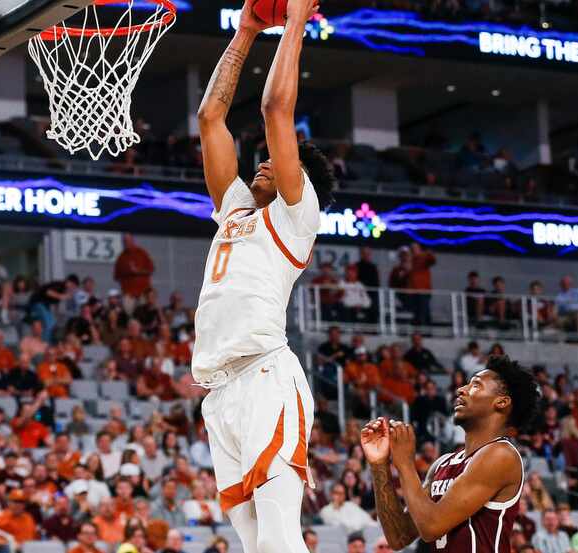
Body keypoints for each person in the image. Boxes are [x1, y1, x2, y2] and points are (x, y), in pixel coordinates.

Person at [193, 1, 333, 552]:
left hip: (265, 378)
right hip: (219, 393)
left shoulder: (295, 218)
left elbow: (276, 107)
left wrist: (296, 18)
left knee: (278, 538)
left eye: (277, 163)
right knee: (253, 545)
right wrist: (246, 30)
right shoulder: (234, 209)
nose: (264, 162)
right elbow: (211, 118)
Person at [362, 355, 539, 551]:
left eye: (476, 385)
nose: (461, 390)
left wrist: (404, 463)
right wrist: (379, 464)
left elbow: (431, 527)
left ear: (502, 402)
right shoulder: (442, 464)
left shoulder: (501, 454)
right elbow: (398, 537)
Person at [114, 234, 155, 305]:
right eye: (124, 241)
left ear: (133, 240)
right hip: (128, 294)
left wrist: (138, 271)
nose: (126, 243)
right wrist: (127, 273)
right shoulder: (121, 257)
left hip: (143, 292)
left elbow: (151, 269)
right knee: (128, 314)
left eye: (128, 241)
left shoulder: (142, 253)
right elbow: (116, 276)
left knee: (143, 313)